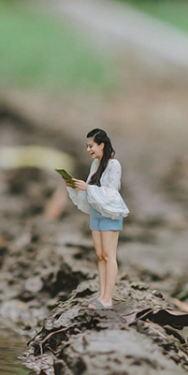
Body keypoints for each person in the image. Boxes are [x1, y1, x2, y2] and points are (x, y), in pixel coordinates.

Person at [63, 128, 129, 309]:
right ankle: (101, 295)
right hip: (96, 213)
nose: (88, 150)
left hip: (110, 213)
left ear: (102, 145)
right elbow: (91, 190)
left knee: (109, 255)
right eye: (87, 146)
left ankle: (108, 299)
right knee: (100, 256)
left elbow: (112, 192)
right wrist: (74, 186)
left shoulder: (114, 165)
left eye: (91, 146)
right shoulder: (95, 165)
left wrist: (88, 188)